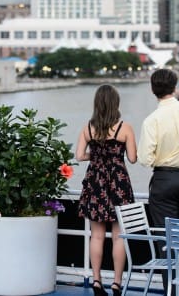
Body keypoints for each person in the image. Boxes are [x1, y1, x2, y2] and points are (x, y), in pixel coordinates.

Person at [137, 68, 179, 294]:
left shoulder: (151, 120)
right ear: (174, 88)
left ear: (152, 90)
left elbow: (145, 159)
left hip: (164, 179)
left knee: (166, 237)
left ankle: (171, 291)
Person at [76, 84, 137, 296]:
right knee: (119, 236)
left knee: (97, 236)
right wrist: (114, 156)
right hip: (118, 183)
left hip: (95, 182)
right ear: (115, 104)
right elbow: (133, 158)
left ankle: (96, 280)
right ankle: (116, 283)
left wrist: (96, 156)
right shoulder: (125, 128)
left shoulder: (88, 128)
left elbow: (79, 156)